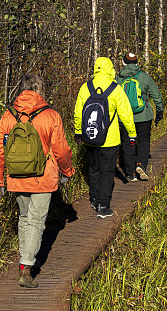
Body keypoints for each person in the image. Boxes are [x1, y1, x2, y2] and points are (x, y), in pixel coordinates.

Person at [0, 74, 75, 289]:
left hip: (17, 177)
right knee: (36, 221)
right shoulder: (51, 115)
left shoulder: (8, 116)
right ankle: (26, 268)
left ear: (22, 89)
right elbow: (61, 149)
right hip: (43, 178)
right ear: (39, 89)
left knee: (25, 218)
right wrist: (67, 171)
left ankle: (24, 259)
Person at [73, 56, 137, 218]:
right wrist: (132, 134)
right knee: (107, 172)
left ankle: (94, 199)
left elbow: (78, 112)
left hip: (90, 137)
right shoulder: (116, 89)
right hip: (110, 139)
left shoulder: (85, 87)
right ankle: (103, 205)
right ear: (110, 69)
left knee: (93, 169)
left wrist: (78, 131)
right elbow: (126, 114)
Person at [116, 52, 163, 182]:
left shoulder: (118, 79)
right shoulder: (144, 77)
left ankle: (130, 173)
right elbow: (156, 96)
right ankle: (140, 165)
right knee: (143, 141)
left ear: (123, 62)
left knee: (128, 143)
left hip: (125, 117)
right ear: (137, 63)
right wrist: (160, 112)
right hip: (144, 116)